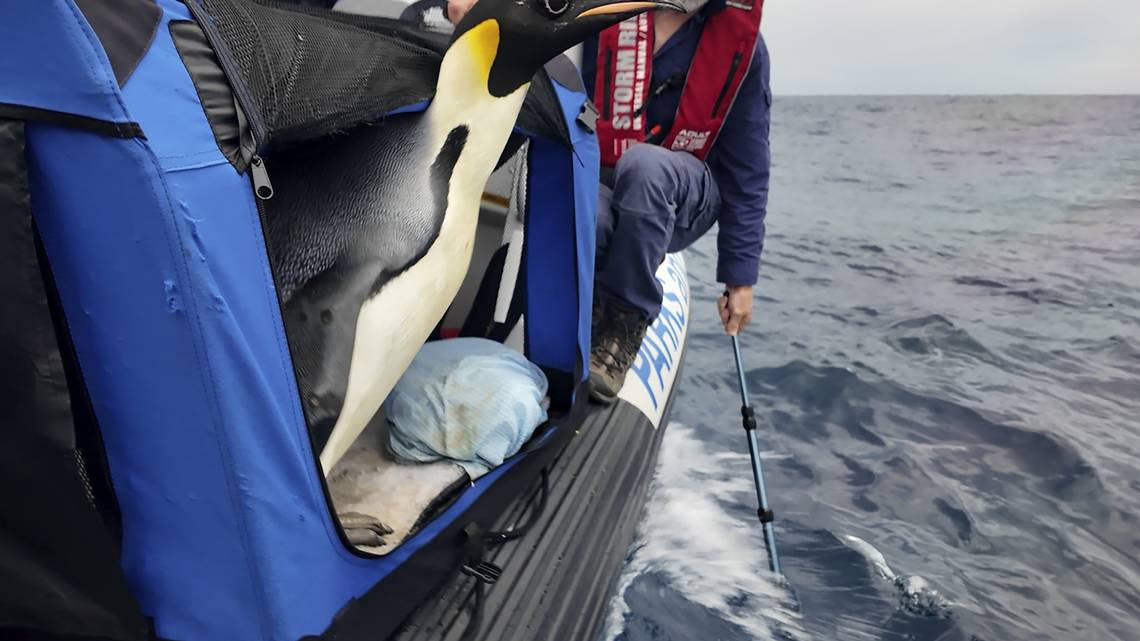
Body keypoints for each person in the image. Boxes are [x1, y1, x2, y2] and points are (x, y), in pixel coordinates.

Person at [447, 0, 771, 404]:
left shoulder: (747, 49)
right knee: (585, 211)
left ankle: (625, 322)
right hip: (607, 177)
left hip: (686, 193)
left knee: (646, 166)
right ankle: (564, 333)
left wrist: (740, 279)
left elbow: (748, 168)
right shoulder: (608, 12)